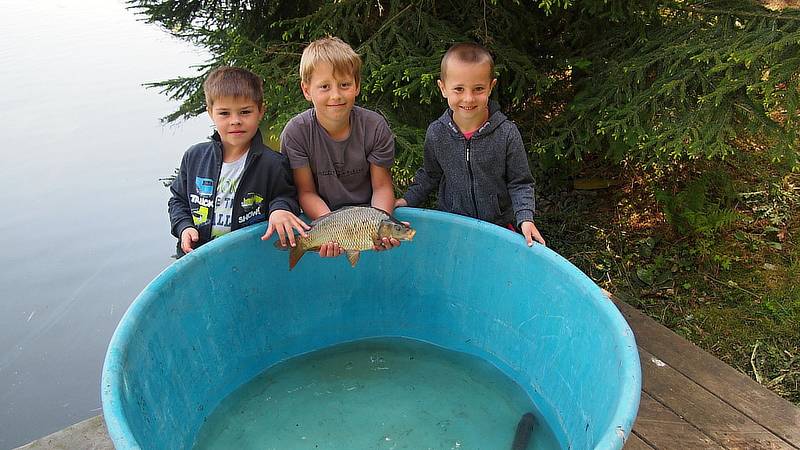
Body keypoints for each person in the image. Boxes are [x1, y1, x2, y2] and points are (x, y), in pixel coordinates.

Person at [395, 42, 546, 247]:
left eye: (478, 89)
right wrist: (407, 200)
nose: (468, 98)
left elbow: (520, 182)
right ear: (443, 88)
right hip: (454, 226)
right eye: (459, 89)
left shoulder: (507, 133)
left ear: (491, 87)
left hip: (498, 226)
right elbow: (430, 174)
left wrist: (525, 218)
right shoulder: (437, 133)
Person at [168, 66, 308, 257]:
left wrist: (280, 210)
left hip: (249, 258)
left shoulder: (273, 163)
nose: (235, 121)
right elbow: (178, 200)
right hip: (197, 257)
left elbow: (286, 196)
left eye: (245, 112)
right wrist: (184, 227)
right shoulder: (194, 157)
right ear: (210, 113)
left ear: (260, 112)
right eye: (224, 113)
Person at [281, 36, 401, 258]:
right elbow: (306, 192)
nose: (335, 95)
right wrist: (331, 229)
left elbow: (382, 187)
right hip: (322, 217)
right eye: (324, 86)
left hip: (367, 219)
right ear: (307, 90)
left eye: (344, 85)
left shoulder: (375, 127)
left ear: (356, 85)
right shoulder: (295, 133)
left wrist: (382, 225)